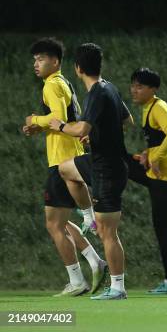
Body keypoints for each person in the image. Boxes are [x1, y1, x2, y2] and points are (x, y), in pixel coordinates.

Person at [22, 37, 107, 297]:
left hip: (61, 161)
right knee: (60, 222)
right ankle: (94, 262)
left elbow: (57, 116)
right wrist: (39, 127)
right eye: (35, 59)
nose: (36, 64)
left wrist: (36, 118)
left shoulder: (51, 85)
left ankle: (78, 279)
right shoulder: (63, 82)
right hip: (68, 156)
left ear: (56, 61)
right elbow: (66, 118)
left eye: (41, 59)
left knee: (54, 224)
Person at [50, 43, 133, 300]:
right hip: (99, 163)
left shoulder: (96, 93)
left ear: (77, 68)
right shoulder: (110, 87)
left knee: (108, 232)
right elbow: (126, 120)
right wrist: (98, 134)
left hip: (107, 171)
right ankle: (87, 217)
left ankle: (118, 287)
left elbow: (80, 130)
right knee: (66, 170)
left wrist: (60, 125)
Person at [129, 68, 167, 294]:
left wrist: (157, 157)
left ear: (153, 89)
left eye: (140, 86)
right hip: (158, 175)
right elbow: (160, 139)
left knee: (163, 230)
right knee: (120, 161)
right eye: (133, 85)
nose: (134, 90)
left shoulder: (158, 107)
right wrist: (147, 153)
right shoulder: (148, 108)